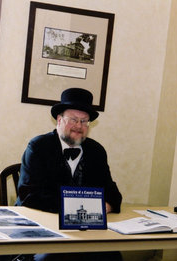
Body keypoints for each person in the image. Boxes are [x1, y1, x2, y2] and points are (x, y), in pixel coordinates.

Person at [15, 88, 123, 261]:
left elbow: (113, 195)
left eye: (84, 121)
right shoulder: (38, 147)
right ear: (59, 120)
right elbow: (29, 197)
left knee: (112, 256)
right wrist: (81, 210)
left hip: (86, 235)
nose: (79, 126)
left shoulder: (96, 151)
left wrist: (106, 206)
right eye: (73, 119)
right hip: (43, 230)